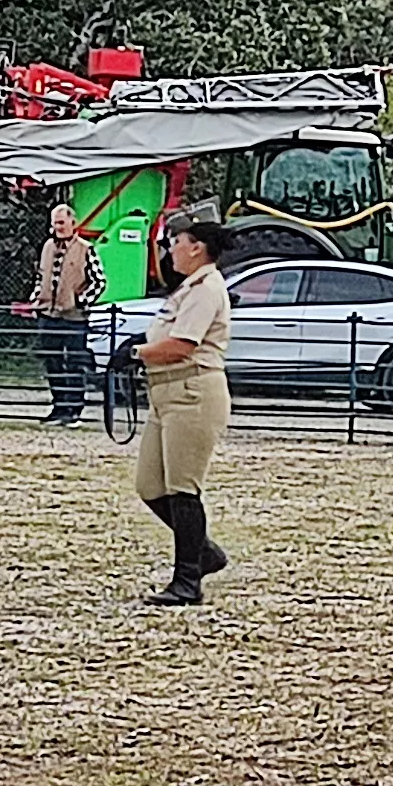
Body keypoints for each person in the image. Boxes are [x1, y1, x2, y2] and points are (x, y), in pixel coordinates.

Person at [131, 218, 234, 606]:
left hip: (192, 392)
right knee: (150, 486)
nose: (170, 249)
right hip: (166, 393)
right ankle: (202, 552)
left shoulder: (207, 289)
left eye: (177, 242)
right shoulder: (189, 289)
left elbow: (183, 344)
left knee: (183, 489)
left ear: (197, 247)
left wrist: (136, 354)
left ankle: (187, 579)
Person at [32, 203, 101, 424]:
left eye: (61, 223)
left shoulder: (86, 249)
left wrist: (81, 301)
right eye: (54, 224)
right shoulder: (47, 247)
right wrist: (36, 297)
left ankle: (74, 409)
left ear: (73, 222)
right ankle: (58, 406)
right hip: (47, 313)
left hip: (74, 317)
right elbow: (41, 275)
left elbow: (99, 281)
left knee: (74, 362)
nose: (57, 228)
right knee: (52, 361)